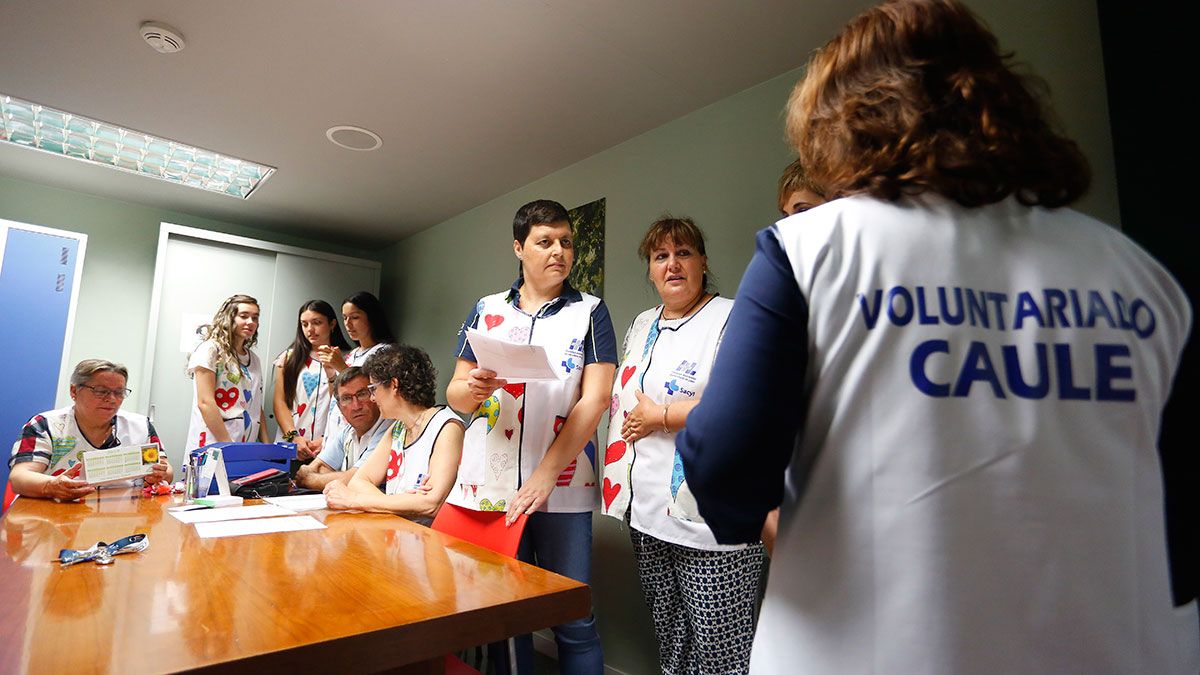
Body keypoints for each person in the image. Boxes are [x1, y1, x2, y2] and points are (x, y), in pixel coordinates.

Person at [677, 1, 1197, 672]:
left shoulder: (808, 251)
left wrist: (785, 528)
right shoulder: (1140, 276)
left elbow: (723, 464)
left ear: (842, 127)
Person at [447, 199, 616, 674]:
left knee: (573, 618)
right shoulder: (487, 309)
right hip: (493, 489)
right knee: (505, 616)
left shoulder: (590, 311)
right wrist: (473, 388)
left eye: (566, 242)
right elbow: (455, 394)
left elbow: (595, 398)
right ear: (519, 248)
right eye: (545, 242)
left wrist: (545, 474)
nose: (559, 251)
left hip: (562, 486)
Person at [603, 216, 764, 674]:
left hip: (714, 517)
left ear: (703, 262)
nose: (672, 265)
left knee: (721, 651)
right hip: (647, 511)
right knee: (671, 638)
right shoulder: (641, 324)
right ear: (651, 270)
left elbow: (747, 404)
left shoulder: (734, 317)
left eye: (683, 253)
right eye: (660, 257)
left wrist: (663, 417)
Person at [325, 346, 463, 525]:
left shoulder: (447, 426)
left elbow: (430, 503)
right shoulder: (397, 429)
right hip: (397, 532)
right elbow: (358, 482)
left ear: (394, 385)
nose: (372, 398)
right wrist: (404, 502)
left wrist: (355, 500)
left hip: (429, 541)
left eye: (373, 389)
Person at [8, 359, 172, 500]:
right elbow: (20, 477)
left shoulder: (140, 425)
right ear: (74, 391)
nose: (111, 399)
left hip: (124, 515)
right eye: (101, 391)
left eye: (119, 392)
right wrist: (52, 486)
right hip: (59, 513)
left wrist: (159, 474)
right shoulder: (45, 425)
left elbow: (167, 470)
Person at [272, 299, 353, 460]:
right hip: (290, 446)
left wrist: (328, 438)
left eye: (317, 323)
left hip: (328, 448)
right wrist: (294, 438)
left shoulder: (348, 358)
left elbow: (344, 403)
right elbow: (280, 402)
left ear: (332, 324)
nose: (310, 329)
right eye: (304, 324)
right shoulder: (288, 358)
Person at [186, 294, 268, 452]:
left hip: (245, 446)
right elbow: (205, 402)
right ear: (229, 318)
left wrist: (266, 447)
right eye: (244, 316)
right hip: (214, 443)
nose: (250, 322)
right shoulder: (210, 350)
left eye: (255, 318)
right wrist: (229, 445)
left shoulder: (254, 360)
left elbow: (256, 405)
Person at [295, 367, 390, 490]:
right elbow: (318, 467)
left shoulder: (389, 428)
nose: (356, 406)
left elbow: (357, 479)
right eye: (346, 398)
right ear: (339, 407)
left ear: (374, 396)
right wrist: (342, 477)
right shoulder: (348, 432)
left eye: (362, 394)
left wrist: (308, 479)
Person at [320, 291, 396, 444]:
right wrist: (332, 375)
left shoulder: (386, 352)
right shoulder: (352, 354)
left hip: (367, 433)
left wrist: (341, 367)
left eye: (355, 317)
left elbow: (372, 392)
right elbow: (337, 396)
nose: (348, 324)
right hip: (338, 431)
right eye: (345, 318)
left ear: (372, 317)